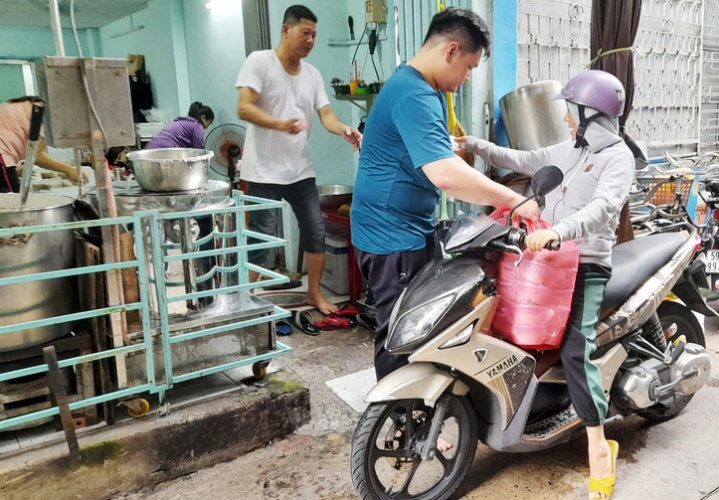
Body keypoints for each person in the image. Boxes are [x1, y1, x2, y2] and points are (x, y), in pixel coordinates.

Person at [457, 69, 633, 500]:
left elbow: (603, 208)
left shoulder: (618, 158)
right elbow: (519, 159)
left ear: (590, 113)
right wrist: (471, 146)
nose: (568, 119)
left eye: (572, 112)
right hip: (544, 263)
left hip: (586, 266)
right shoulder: (571, 150)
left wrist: (560, 231)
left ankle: (597, 446)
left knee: (575, 350)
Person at [350, 7, 540, 381]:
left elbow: (425, 152)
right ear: (451, 51)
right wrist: (514, 198)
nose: (467, 78)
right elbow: (446, 176)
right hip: (393, 237)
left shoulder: (416, 85)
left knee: (414, 325)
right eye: (469, 67)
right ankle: (400, 425)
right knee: (404, 335)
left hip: (393, 229)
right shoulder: (414, 94)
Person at [235, 4, 362, 315]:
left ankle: (313, 294)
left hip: (299, 171)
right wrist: (281, 123)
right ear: (285, 30)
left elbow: (326, 114)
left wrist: (343, 129)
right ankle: (245, 302)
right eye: (305, 33)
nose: (310, 40)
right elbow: (244, 108)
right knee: (261, 240)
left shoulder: (313, 75)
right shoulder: (259, 62)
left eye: (314, 35)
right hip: (262, 172)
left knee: (315, 231)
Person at [0, 96, 84, 193]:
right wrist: (69, 170)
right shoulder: (41, 112)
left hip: (3, 157)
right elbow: (36, 156)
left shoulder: (23, 105)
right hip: (2, 157)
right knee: (11, 202)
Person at [145, 102, 214, 149]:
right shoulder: (197, 126)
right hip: (164, 150)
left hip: (151, 147)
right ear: (203, 118)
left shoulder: (182, 121)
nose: (207, 127)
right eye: (209, 123)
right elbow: (199, 151)